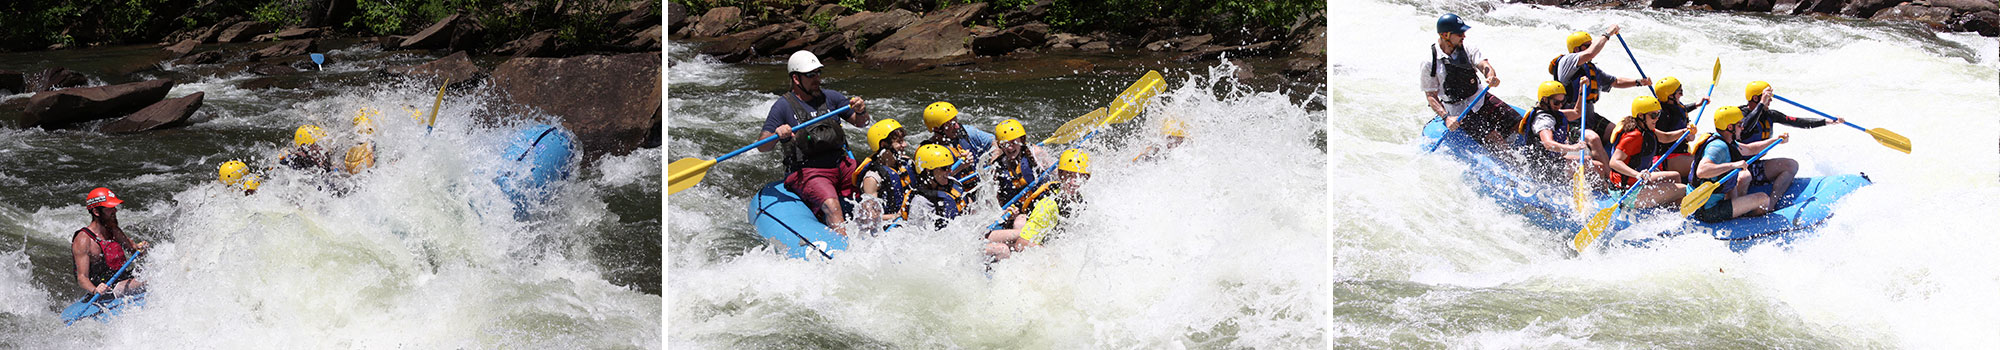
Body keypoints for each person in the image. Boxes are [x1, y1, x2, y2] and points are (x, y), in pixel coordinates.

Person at [758, 51, 873, 236]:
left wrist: (861, 110)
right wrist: (778, 134)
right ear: (796, 78)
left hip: (840, 164)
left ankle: (878, 233)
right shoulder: (783, 106)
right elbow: (762, 146)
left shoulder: (832, 98)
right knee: (832, 206)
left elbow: (861, 122)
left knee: (871, 185)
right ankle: (846, 251)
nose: (817, 79)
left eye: (818, 73)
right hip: (808, 170)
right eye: (811, 75)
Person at [1548, 25, 1652, 153]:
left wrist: (1639, 82)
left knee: (1618, 134)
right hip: (1570, 122)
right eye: (1587, 45)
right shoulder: (1567, 62)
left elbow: (1615, 81)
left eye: (1591, 44)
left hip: (1589, 118)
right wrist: (1607, 34)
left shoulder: (1590, 68)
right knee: (1594, 138)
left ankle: (1620, 161)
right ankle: (1604, 169)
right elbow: (1591, 52)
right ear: (1576, 49)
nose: (1591, 47)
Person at [1423, 13, 1521, 147]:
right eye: (1459, 33)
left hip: (1479, 98)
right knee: (1495, 139)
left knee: (1519, 123)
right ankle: (1516, 165)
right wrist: (1446, 118)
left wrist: (1490, 76)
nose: (1464, 36)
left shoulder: (1467, 48)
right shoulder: (1430, 62)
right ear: (1445, 35)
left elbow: (1484, 65)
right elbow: (1431, 96)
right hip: (1459, 111)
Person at [1688, 106, 1797, 223]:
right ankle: (1744, 224)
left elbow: (1750, 149)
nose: (1742, 127)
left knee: (1741, 179)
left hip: (1705, 204)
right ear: (1730, 127)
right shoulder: (1718, 147)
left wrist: (1776, 140)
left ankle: (1737, 213)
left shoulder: (1727, 141)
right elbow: (1702, 171)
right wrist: (1733, 165)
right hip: (1707, 210)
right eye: (1739, 124)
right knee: (1763, 199)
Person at [984, 149, 1091, 261]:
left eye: (1078, 176)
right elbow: (1022, 244)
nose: (1073, 181)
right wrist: (1054, 256)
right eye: (1068, 175)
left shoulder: (1082, 201)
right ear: (1060, 174)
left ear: (1087, 178)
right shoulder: (1049, 205)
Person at [1605, 96, 1689, 209]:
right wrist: (1637, 174)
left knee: (1675, 176)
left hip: (1637, 183)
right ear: (1641, 116)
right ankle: (1671, 215)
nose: (1657, 118)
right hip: (1627, 193)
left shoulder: (1646, 128)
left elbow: (1665, 137)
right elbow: (1614, 162)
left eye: (1659, 114)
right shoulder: (1633, 136)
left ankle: (1669, 210)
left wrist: (1685, 131)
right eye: (1653, 115)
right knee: (1683, 189)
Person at [1521, 80, 1608, 184]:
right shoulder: (1544, 120)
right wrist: (1573, 147)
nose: (1560, 105)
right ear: (1545, 99)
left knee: (1588, 159)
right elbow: (1548, 144)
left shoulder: (1554, 112)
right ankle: (1604, 193)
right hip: (1543, 168)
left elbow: (1577, 112)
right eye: (1556, 102)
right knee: (1599, 167)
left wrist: (1581, 91)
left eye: (1563, 102)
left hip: (1552, 161)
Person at [70, 188, 148, 298]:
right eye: (110, 208)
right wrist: (95, 290)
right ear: (96, 212)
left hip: (122, 278)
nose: (115, 211)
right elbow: (82, 278)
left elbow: (133, 250)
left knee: (154, 269)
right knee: (151, 279)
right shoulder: (83, 240)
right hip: (108, 288)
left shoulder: (113, 229)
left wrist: (141, 248)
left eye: (114, 207)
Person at [855, 119, 917, 233]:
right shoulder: (872, 178)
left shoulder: (906, 163)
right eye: (899, 142)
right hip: (889, 229)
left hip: (909, 222)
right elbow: (869, 217)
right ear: (884, 145)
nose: (905, 145)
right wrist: (897, 216)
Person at [1738, 81, 1841, 144]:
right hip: (1738, 164)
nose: (1770, 100)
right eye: (1767, 98)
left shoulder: (1771, 115)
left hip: (1755, 162)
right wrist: (1761, 103)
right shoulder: (1738, 114)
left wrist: (1827, 121)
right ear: (1756, 98)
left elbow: (1798, 122)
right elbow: (1745, 128)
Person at [921, 101, 996, 176]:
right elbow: (937, 179)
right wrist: (961, 166)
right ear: (937, 129)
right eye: (951, 124)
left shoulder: (967, 132)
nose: (957, 126)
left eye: (956, 121)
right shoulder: (929, 152)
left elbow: (995, 142)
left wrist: (993, 160)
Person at [911, 144, 968, 230]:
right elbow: (915, 238)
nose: (950, 171)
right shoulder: (920, 203)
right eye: (944, 168)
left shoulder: (954, 183)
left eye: (949, 167)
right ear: (928, 171)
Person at [989, 119, 1043, 203]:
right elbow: (995, 203)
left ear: (1021, 140)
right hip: (1017, 212)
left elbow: (1057, 174)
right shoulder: (997, 167)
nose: (1010, 148)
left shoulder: (1035, 153)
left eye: (1013, 142)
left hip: (1043, 204)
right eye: (1005, 144)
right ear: (1000, 146)